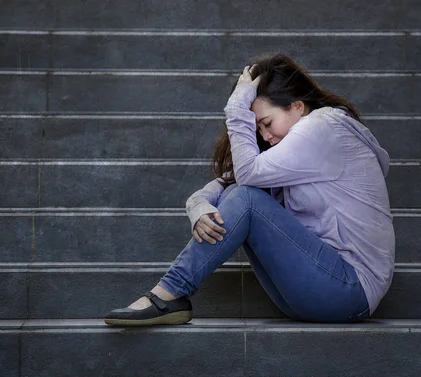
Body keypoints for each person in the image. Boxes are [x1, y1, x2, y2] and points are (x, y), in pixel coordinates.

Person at [104, 53, 395, 326]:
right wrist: (198, 207)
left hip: (349, 290)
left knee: (247, 198)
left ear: (297, 106)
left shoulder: (323, 127)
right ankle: (170, 294)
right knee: (239, 195)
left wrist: (236, 109)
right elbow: (225, 185)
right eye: (258, 130)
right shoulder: (293, 148)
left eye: (267, 123)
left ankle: (171, 292)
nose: (266, 137)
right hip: (315, 292)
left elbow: (247, 179)